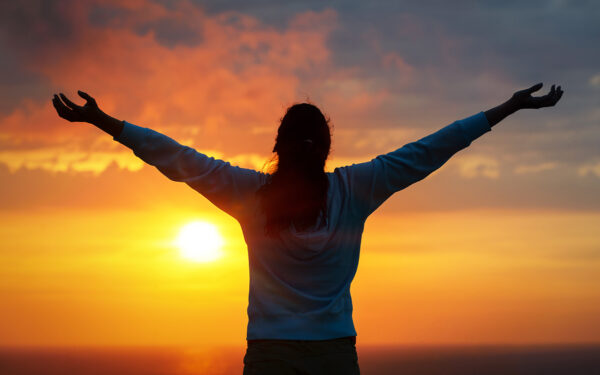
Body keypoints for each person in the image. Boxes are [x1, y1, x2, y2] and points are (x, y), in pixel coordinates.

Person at [52, 83, 563, 374]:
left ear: (278, 145)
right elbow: (432, 149)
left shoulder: (248, 194)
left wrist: (106, 123)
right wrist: (508, 108)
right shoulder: (357, 188)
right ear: (325, 148)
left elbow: (177, 158)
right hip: (334, 356)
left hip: (270, 355)